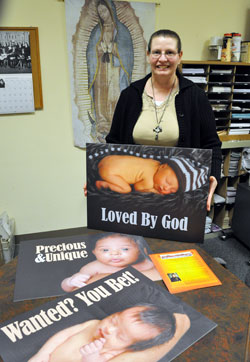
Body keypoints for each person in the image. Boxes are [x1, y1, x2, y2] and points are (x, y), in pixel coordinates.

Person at [105, 29, 222, 211]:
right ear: (148, 55)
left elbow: (212, 143)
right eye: (156, 52)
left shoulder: (196, 97)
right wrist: (96, 174)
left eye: (169, 53)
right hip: (131, 201)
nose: (162, 59)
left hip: (174, 200)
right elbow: (112, 142)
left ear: (179, 56)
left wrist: (214, 175)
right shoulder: (130, 95)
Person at [28, 304, 190, 362]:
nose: (108, 329)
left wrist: (91, 359)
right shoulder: (93, 324)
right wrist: (42, 354)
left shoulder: (111, 354)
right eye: (114, 319)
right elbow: (62, 336)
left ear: (131, 348)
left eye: (120, 336)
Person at [61, 233, 160, 292]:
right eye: (105, 250)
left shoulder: (147, 262)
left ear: (140, 250)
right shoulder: (94, 267)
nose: (114, 253)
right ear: (94, 253)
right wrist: (69, 282)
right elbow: (69, 288)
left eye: (125, 249)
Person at [95, 154, 209, 195]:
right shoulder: (150, 180)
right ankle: (102, 184)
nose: (165, 188)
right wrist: (154, 191)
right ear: (164, 166)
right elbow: (138, 187)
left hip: (107, 159)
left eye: (171, 190)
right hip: (109, 172)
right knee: (126, 189)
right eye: (168, 182)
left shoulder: (153, 163)